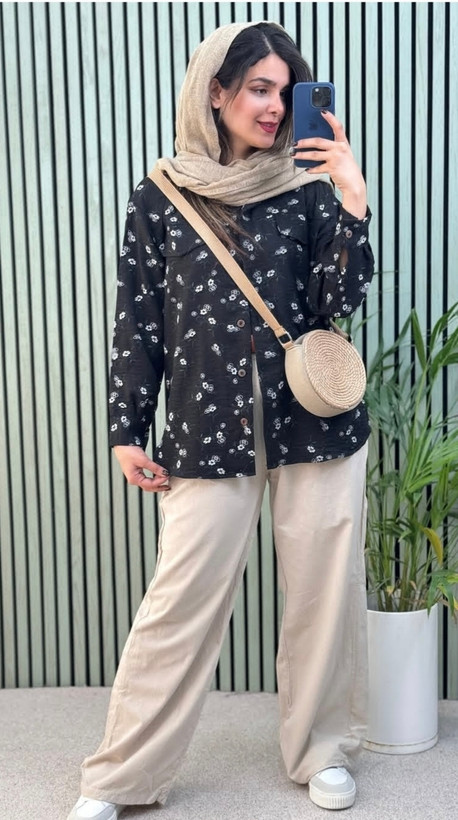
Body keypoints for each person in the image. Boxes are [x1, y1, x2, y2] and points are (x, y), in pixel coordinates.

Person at [68, 21, 374, 820]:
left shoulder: (306, 186)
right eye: (258, 88)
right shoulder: (162, 194)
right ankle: (119, 776)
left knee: (324, 597)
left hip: (315, 425)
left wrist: (351, 197)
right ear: (216, 89)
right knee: (179, 602)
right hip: (207, 431)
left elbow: (337, 302)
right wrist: (126, 429)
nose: (273, 106)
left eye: (285, 91)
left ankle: (322, 751)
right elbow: (138, 320)